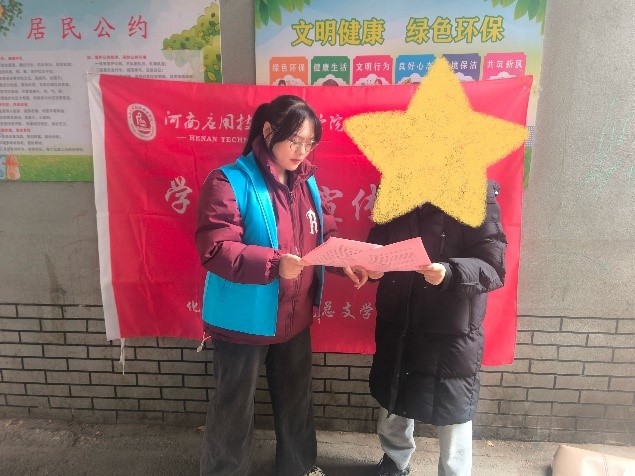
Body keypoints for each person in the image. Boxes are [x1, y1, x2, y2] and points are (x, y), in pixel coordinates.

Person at [195, 94, 368, 476]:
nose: (301, 151)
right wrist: (275, 265)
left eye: (309, 143)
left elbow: (322, 237)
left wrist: (344, 262)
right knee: (232, 411)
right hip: (243, 321)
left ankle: (299, 468)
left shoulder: (307, 183)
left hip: (294, 316)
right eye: (295, 141)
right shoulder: (229, 181)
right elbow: (216, 248)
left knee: (296, 403)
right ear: (269, 131)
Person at [366, 181, 507, 476]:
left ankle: (455, 472)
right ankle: (394, 461)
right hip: (399, 317)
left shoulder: (474, 192)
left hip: (450, 324)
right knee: (395, 395)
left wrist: (450, 272)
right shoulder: (395, 186)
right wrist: (372, 265)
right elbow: (378, 240)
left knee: (453, 405)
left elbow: (493, 266)